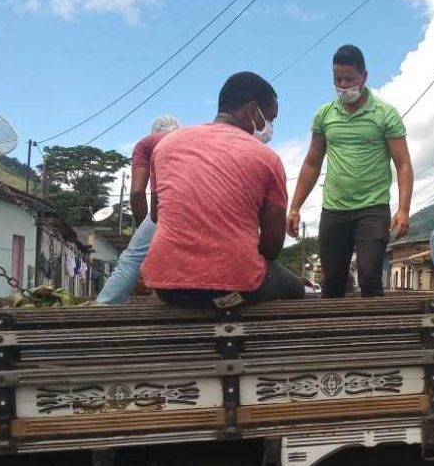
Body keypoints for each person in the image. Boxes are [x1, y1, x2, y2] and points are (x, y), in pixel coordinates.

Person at [140, 72, 304, 307]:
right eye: (270, 119)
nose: (269, 128)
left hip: (168, 286)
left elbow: (156, 215)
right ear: (251, 110)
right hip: (238, 286)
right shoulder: (267, 158)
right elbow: (272, 246)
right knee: (295, 288)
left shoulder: (166, 145)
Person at [288, 44, 414, 298]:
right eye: (338, 79)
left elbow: (403, 164)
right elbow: (312, 162)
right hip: (334, 211)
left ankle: (374, 336)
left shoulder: (385, 114)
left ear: (364, 77)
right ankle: (331, 336)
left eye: (350, 79)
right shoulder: (324, 115)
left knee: (369, 279)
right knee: (333, 283)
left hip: (373, 209)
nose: (344, 85)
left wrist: (403, 209)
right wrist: (295, 206)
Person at [95, 115, 180, 305]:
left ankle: (104, 307)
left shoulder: (147, 143)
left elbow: (136, 192)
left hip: (172, 206)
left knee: (133, 257)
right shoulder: (192, 140)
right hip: (208, 206)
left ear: (153, 132)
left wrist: (143, 226)